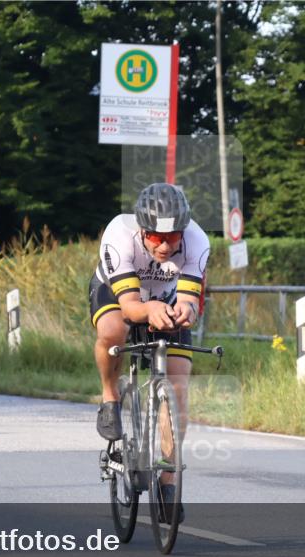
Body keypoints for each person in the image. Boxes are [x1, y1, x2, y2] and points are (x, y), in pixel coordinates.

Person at [89, 183, 210, 517]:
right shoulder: (118, 233)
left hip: (166, 297)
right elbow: (129, 306)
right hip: (117, 292)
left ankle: (168, 480)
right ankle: (109, 395)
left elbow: (189, 299)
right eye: (156, 236)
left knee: (179, 385)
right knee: (114, 330)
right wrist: (148, 309)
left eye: (173, 237)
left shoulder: (197, 241)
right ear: (142, 228)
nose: (165, 244)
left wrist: (187, 311)